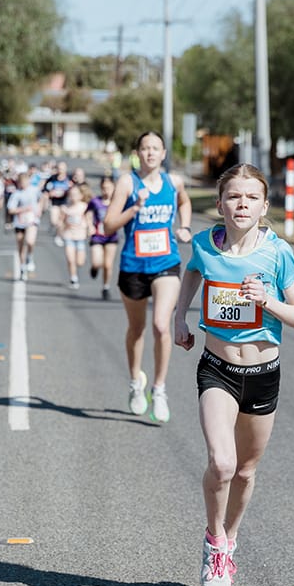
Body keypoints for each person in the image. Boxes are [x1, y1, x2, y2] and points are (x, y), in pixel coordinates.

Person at [173, 163, 294, 586]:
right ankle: (214, 542)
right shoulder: (204, 245)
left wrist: (266, 301)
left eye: (251, 197)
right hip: (217, 368)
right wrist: (180, 315)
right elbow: (193, 271)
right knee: (223, 463)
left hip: (263, 373)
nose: (242, 204)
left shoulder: (277, 253)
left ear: (264, 206)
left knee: (247, 471)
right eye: (234, 196)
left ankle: (230, 538)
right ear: (220, 204)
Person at [103, 130, 193, 424]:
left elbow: (184, 203)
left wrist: (185, 227)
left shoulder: (173, 181)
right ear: (138, 153)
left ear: (164, 153)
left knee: (160, 325)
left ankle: (160, 388)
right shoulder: (128, 183)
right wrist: (135, 208)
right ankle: (135, 382)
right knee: (137, 329)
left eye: (156, 148)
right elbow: (108, 226)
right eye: (145, 148)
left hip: (166, 263)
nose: (151, 153)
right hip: (133, 266)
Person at [86, 175, 119, 300]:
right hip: (97, 236)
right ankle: (94, 268)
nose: (106, 191)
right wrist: (89, 226)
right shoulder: (95, 202)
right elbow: (88, 214)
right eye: (104, 188)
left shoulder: (117, 203)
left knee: (108, 264)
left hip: (111, 237)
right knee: (97, 261)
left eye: (109, 188)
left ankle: (106, 287)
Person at [7, 171, 42, 281]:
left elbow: (42, 198)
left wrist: (39, 209)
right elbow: (11, 209)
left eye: (25, 181)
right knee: (20, 245)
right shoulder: (16, 194)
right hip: (20, 221)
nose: (23, 184)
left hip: (32, 220)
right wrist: (23, 209)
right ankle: (22, 268)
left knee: (30, 241)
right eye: (21, 182)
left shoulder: (34, 190)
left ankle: (30, 257)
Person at [58, 183, 92, 289]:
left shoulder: (84, 207)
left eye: (76, 194)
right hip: (69, 236)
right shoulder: (66, 207)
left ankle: (75, 272)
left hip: (80, 237)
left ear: (81, 195)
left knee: (80, 262)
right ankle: (73, 278)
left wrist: (89, 227)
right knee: (70, 259)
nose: (73, 197)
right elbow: (61, 221)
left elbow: (88, 219)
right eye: (71, 194)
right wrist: (60, 232)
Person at [42, 162, 73, 246]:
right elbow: (45, 189)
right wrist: (49, 194)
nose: (61, 170)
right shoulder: (53, 178)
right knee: (54, 221)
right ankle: (54, 227)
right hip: (55, 202)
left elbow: (75, 189)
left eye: (63, 168)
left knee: (61, 221)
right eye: (59, 168)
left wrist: (69, 190)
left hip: (65, 202)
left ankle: (59, 236)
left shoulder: (69, 179)